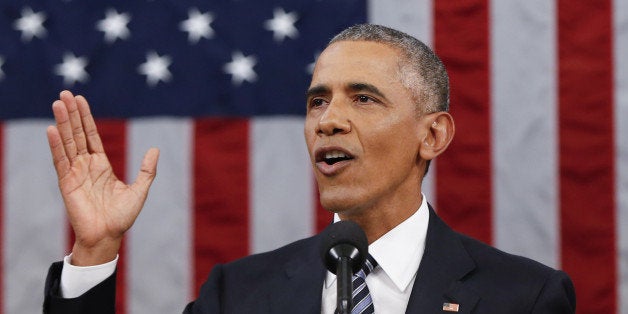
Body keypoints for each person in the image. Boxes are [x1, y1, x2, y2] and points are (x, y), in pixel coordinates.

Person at [43, 24, 576, 313]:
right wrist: (95, 250)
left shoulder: (525, 298)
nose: (328, 121)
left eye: (363, 99)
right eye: (317, 101)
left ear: (432, 135)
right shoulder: (239, 295)